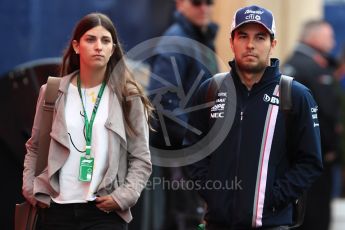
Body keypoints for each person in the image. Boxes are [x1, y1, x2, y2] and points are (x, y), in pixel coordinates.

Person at [184, 5, 323, 229]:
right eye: (243, 36)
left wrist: (272, 198)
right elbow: (193, 150)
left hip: (271, 223)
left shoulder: (295, 95)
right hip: (218, 222)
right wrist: (211, 192)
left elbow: (310, 162)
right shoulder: (211, 90)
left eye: (260, 37)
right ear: (231, 42)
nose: (250, 45)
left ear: (272, 44)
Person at [22, 13, 152, 230]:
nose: (98, 46)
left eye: (105, 40)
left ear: (113, 48)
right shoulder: (52, 91)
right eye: (90, 39)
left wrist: (124, 197)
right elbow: (34, 147)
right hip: (55, 211)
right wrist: (30, 188)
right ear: (76, 46)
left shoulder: (128, 96)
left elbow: (141, 158)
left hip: (104, 213)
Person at [146, 0, 218, 229]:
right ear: (180, 4)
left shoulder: (200, 39)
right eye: (197, 2)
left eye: (209, 2)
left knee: (196, 214)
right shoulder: (176, 41)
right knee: (185, 216)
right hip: (180, 151)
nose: (204, 7)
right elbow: (162, 100)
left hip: (196, 150)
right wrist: (196, 138)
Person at [283, 19, 341, 230]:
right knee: (313, 217)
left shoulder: (305, 63)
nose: (333, 42)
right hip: (312, 159)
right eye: (329, 37)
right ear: (314, 37)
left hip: (309, 157)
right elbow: (319, 114)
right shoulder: (306, 66)